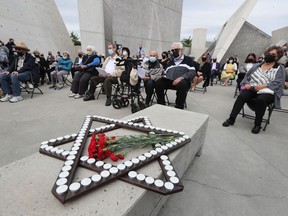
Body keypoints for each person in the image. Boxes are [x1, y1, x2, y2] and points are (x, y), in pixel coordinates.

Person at [222, 45, 285, 134]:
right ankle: (231, 119)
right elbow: (247, 77)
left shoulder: (279, 68)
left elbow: (279, 82)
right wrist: (246, 84)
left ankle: (257, 124)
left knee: (261, 99)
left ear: (278, 56)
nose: (269, 55)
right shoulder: (258, 65)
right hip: (252, 88)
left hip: (267, 91)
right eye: (268, 53)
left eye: (272, 54)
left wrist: (263, 85)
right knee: (242, 96)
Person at [155, 42, 196, 109]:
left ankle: (179, 107)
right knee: (158, 82)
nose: (174, 51)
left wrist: (181, 78)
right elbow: (165, 72)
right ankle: (161, 105)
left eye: (176, 50)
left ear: (181, 50)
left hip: (183, 82)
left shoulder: (188, 60)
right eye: (172, 50)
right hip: (170, 81)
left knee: (182, 84)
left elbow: (192, 72)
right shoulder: (170, 62)